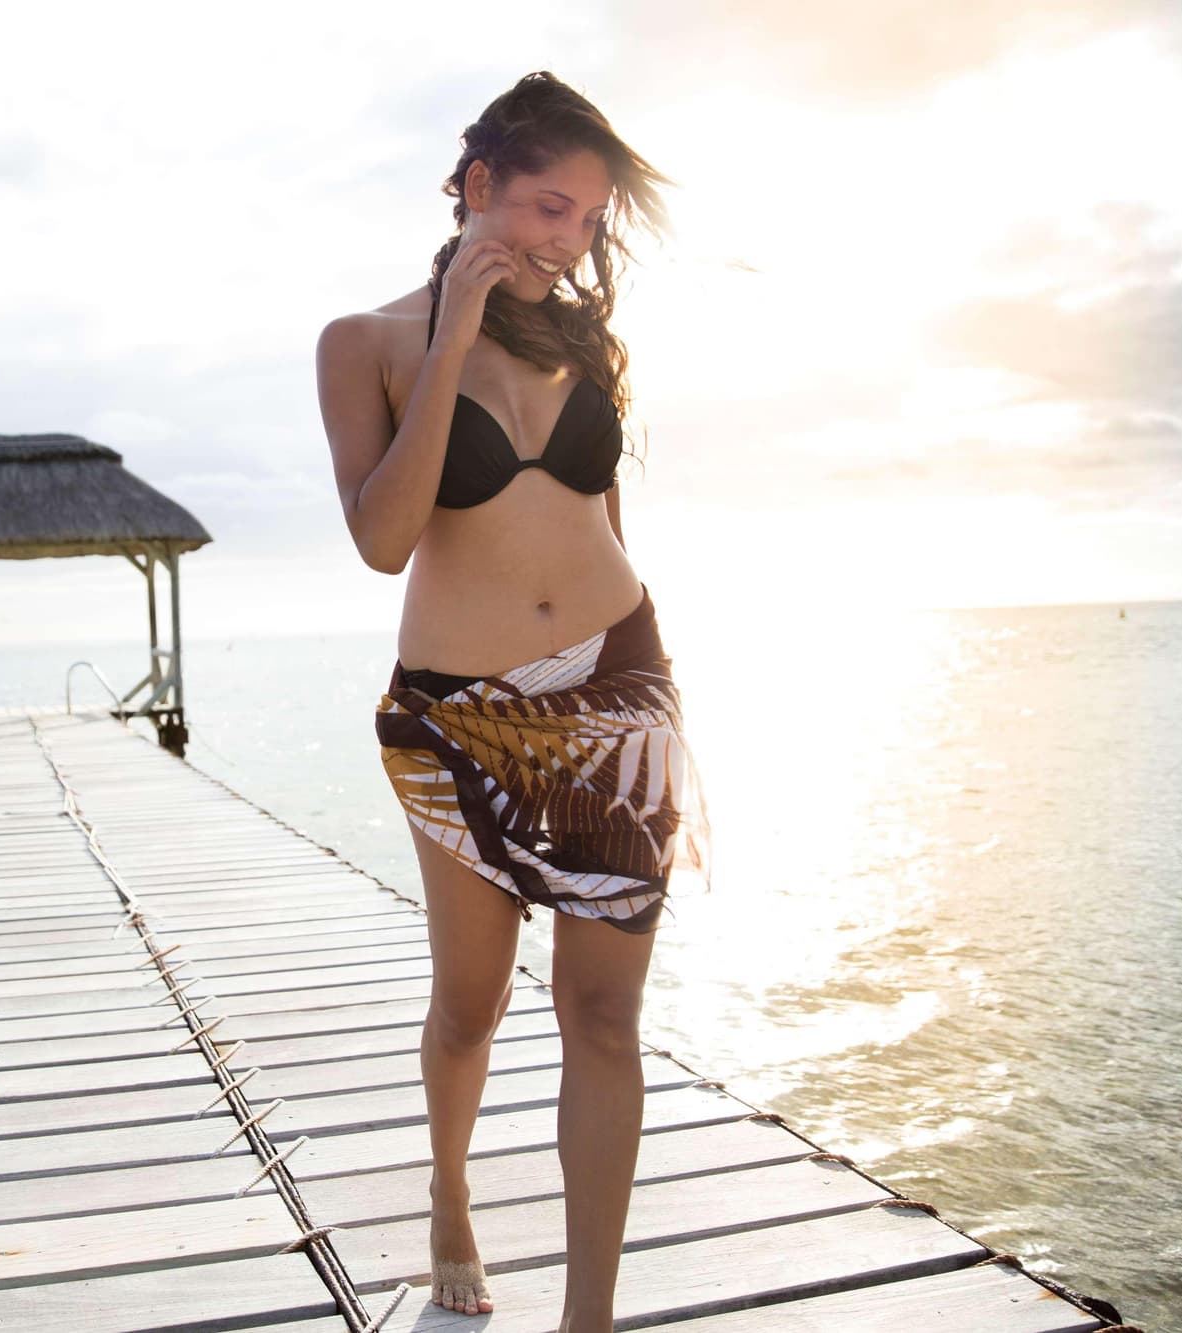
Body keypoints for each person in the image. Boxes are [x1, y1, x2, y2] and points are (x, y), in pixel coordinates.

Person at [314, 71, 714, 1329]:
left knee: (601, 1013)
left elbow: (602, 519)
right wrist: (449, 341)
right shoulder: (364, 344)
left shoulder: (590, 341)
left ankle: (586, 1317)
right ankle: (448, 1192)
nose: (567, 241)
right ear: (477, 187)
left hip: (615, 692)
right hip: (455, 714)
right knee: (469, 1005)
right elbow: (383, 537)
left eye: (588, 221)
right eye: (548, 207)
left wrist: (631, 676)